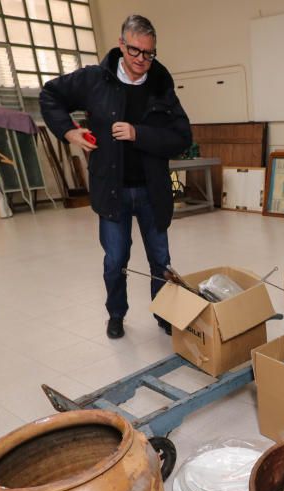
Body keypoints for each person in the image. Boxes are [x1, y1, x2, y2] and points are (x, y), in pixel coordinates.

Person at [40, 14, 192, 339]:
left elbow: (181, 138)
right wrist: (69, 132)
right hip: (112, 190)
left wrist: (139, 133)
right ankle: (116, 315)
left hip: (152, 191)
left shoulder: (162, 87)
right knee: (115, 260)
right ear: (121, 44)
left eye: (148, 54)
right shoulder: (95, 79)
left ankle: (164, 314)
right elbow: (50, 95)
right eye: (135, 51)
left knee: (160, 260)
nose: (141, 60)